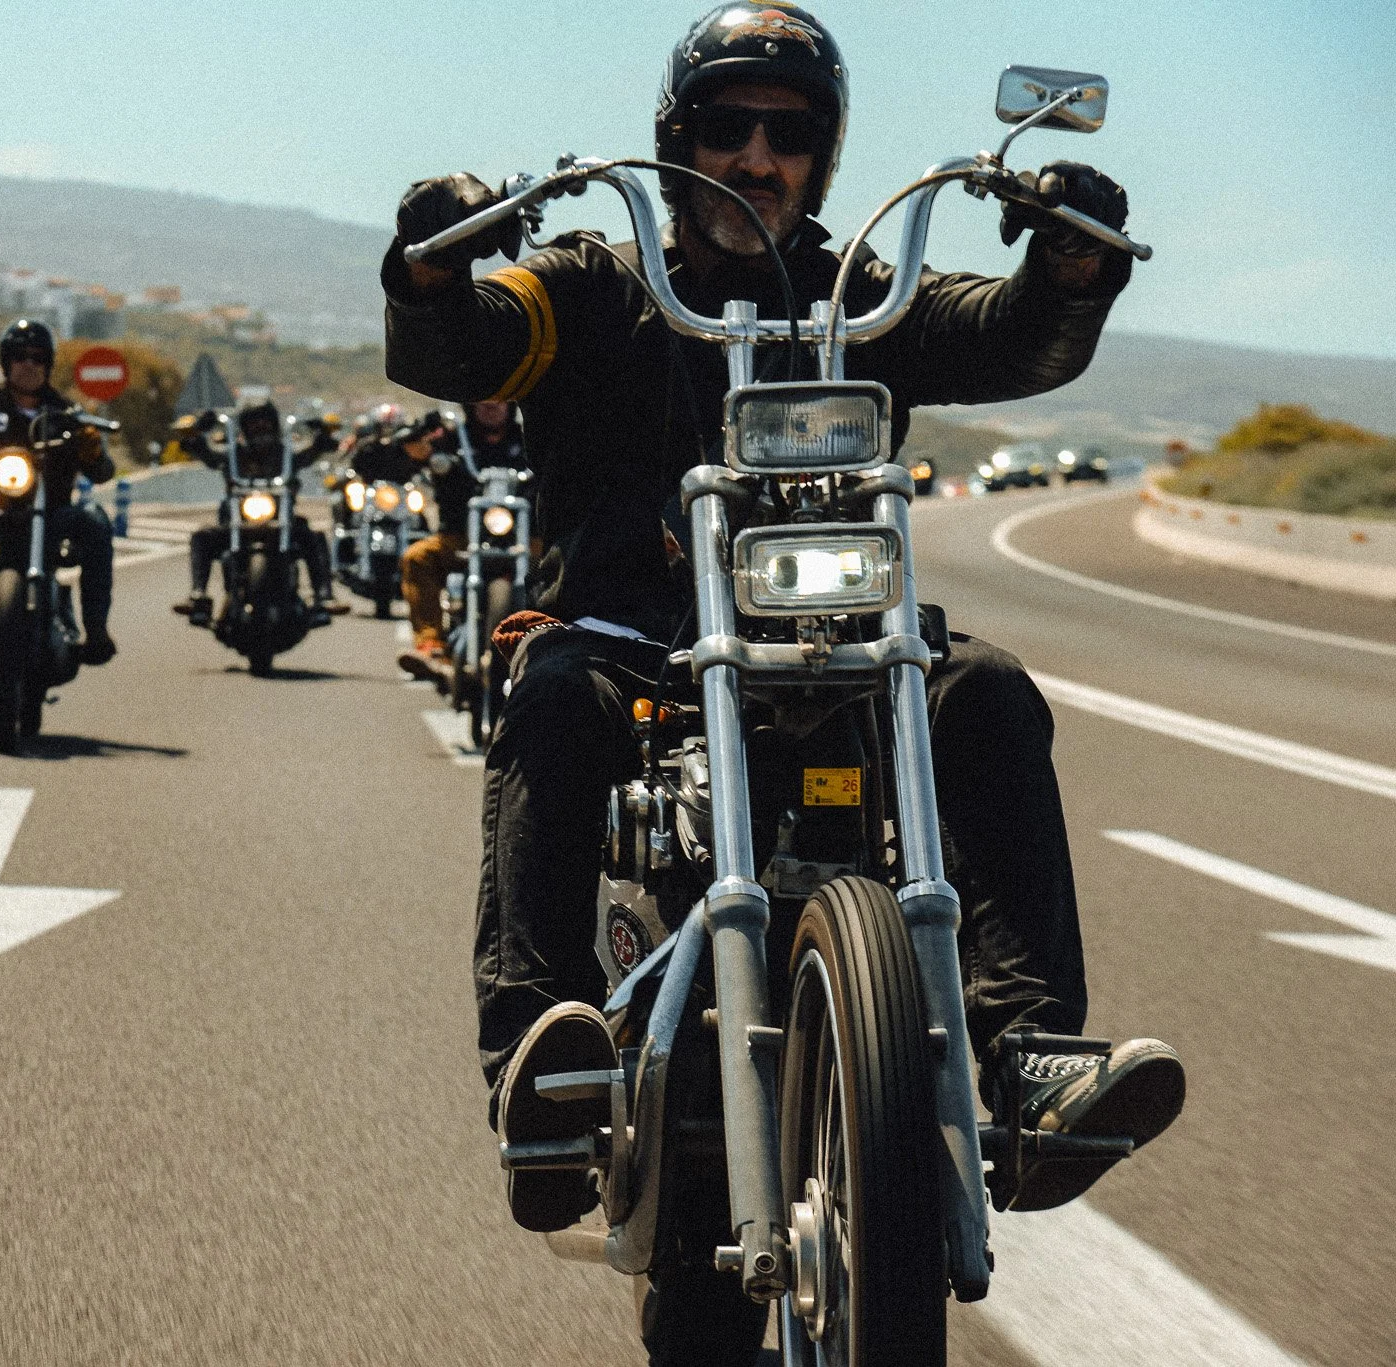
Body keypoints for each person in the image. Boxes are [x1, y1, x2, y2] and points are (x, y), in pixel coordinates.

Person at [384, 5, 1183, 1356]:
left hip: (837, 643)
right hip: (635, 633)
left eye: (790, 133)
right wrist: (434, 266)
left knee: (983, 690)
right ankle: (546, 1057)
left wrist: (1065, 270)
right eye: (726, 126)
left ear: (822, 154)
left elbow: (1006, 338)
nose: (756, 155)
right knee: (549, 688)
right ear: (676, 138)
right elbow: (460, 345)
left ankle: (1023, 1053)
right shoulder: (589, 280)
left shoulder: (862, 294)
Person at [0, 319, 118, 667]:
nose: (29, 364)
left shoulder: (66, 413)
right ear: (5, 361)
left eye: (38, 357)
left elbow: (103, 473)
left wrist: (91, 448)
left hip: (53, 515)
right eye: (20, 356)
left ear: (48, 364)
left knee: (95, 522)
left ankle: (97, 630)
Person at [170, 400, 348, 625]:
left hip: (283, 521)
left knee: (314, 538)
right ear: (244, 428)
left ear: (275, 426)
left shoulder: (286, 455)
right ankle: (199, 596)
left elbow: (312, 452)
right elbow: (209, 455)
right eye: (254, 425)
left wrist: (322, 438)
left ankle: (324, 597)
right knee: (202, 538)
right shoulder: (233, 455)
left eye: (266, 424)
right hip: (237, 521)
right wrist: (194, 438)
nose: (261, 430)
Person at [396, 400, 527, 683]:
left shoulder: (531, 438)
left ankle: (556, 648)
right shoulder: (452, 438)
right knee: (417, 557)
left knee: (566, 563)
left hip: (527, 541)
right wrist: (415, 437)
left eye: (499, 398)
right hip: (461, 538)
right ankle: (431, 648)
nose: (491, 404)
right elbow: (413, 453)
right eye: (483, 398)